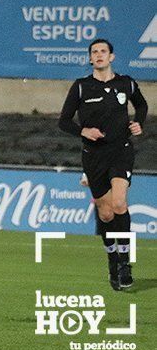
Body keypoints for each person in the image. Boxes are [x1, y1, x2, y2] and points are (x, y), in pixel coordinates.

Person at [59, 38, 147, 291]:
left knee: (120, 203)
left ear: (111, 57)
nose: (98, 55)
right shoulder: (81, 87)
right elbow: (64, 121)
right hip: (94, 156)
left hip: (121, 151)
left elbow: (141, 104)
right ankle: (112, 262)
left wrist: (138, 121)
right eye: (94, 52)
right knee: (106, 213)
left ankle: (125, 263)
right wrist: (83, 131)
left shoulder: (126, 83)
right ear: (90, 59)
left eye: (103, 51)